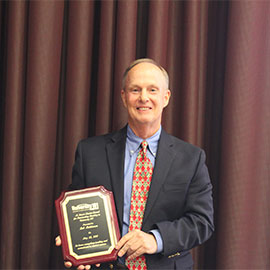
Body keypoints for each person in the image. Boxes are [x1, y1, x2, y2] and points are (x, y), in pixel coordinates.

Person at [56, 58, 214, 269]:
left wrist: (155, 239)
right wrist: (75, 244)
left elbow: (202, 222)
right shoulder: (90, 153)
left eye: (152, 90)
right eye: (135, 90)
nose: (143, 98)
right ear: (124, 97)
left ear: (165, 97)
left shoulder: (192, 159)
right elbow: (76, 211)